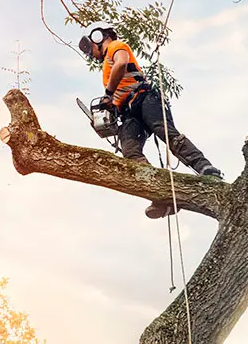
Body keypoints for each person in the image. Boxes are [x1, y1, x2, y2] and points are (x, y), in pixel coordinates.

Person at [78, 22, 223, 219]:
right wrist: (108, 112)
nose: (92, 55)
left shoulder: (116, 47)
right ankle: (161, 194)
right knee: (130, 153)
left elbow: (121, 64)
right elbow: (117, 95)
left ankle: (205, 167)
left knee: (164, 131)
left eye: (91, 49)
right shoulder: (105, 68)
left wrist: (108, 94)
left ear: (98, 38)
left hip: (144, 98)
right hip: (128, 112)